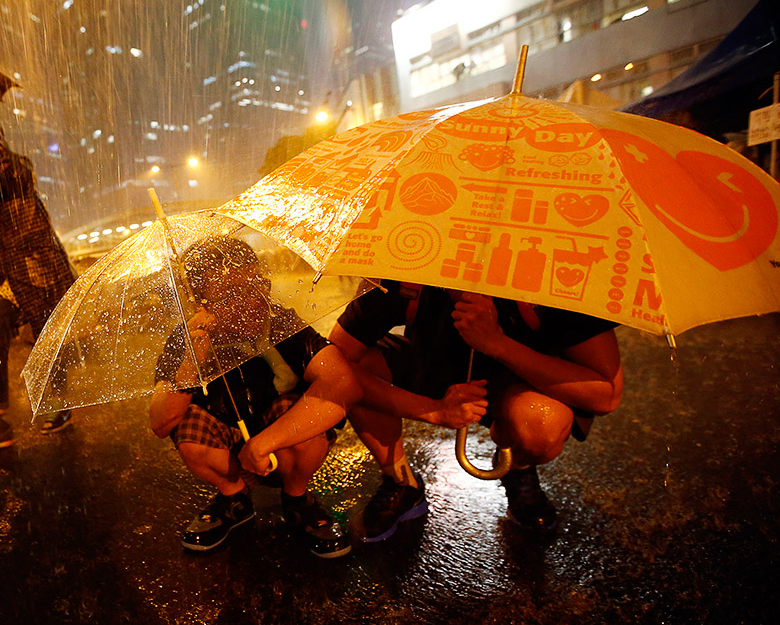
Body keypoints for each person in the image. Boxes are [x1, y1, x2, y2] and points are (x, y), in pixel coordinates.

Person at [328, 280, 623, 537]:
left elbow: (605, 395)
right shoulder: (411, 267)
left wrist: (498, 344)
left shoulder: (553, 278)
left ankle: (517, 466)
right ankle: (400, 480)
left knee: (541, 424)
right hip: (429, 363)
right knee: (353, 370)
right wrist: (433, 410)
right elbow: (333, 361)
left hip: (521, 379)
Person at [148, 237, 361, 558]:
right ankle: (233, 497)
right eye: (229, 296)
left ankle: (297, 498)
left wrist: (263, 443)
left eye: (256, 286)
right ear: (201, 304)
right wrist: (191, 363)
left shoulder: (281, 323)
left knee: (306, 412)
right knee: (189, 428)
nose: (250, 302)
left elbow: (344, 383)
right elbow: (160, 422)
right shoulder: (188, 336)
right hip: (228, 452)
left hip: (282, 446)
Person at [0, 108, 77, 447]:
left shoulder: (14, 164)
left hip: (38, 267)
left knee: (46, 337)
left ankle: (60, 402)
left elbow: (15, 181)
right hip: (7, 273)